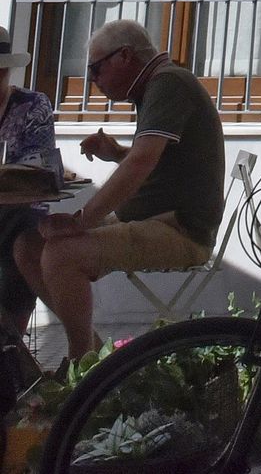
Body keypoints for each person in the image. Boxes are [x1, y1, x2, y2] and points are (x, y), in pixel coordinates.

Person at [14, 21, 224, 360]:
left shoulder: (169, 83)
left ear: (125, 56)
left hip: (181, 230)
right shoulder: (159, 85)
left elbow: (142, 162)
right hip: (157, 219)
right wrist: (117, 153)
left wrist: (81, 221)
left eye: (96, 69)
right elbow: (158, 160)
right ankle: (93, 353)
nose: (93, 80)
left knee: (61, 254)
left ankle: (81, 365)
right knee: (28, 245)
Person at [0, 29, 59, 337]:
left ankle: (12, 340)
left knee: (22, 232)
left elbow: (38, 169)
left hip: (20, 211)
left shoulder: (33, 105)